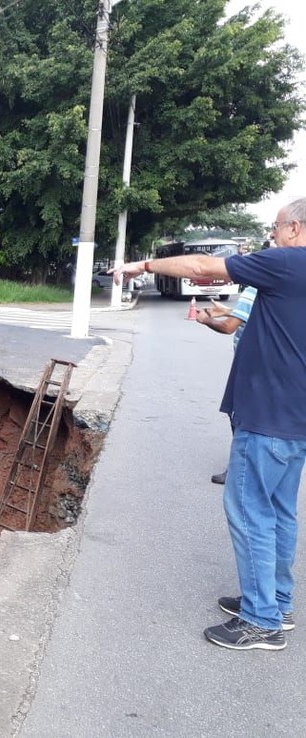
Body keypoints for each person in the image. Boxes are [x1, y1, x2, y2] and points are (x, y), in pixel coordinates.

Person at [113, 198, 306, 651]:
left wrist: (143, 263)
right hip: (293, 419)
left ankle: (262, 621)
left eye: (276, 227)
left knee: (249, 510)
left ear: (295, 227)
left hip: (268, 417)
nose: (272, 235)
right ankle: (276, 602)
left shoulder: (287, 263)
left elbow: (204, 263)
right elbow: (238, 320)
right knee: (279, 512)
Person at [195, 285, 257, 484]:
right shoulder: (280, 286)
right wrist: (228, 310)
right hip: (270, 363)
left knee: (239, 416)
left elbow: (228, 327)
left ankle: (239, 471)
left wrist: (206, 320)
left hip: (249, 364)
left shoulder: (252, 290)